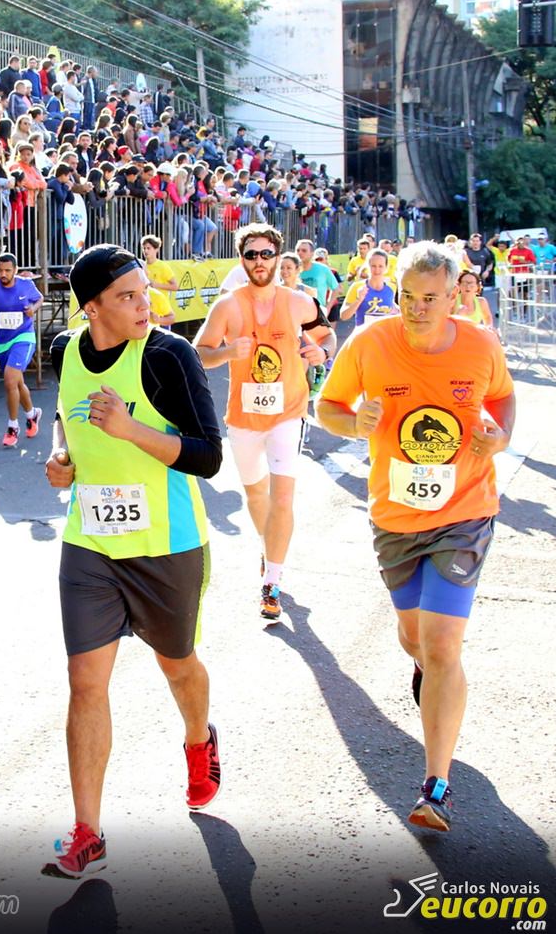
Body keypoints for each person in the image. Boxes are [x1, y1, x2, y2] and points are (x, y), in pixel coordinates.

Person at [316, 242, 516, 832]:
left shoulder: (480, 344)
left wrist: (500, 436)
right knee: (416, 641)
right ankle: (430, 674)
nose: (417, 308)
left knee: (443, 645)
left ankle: (437, 787)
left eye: (430, 298)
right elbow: (327, 406)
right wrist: (353, 423)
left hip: (465, 512)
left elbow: (503, 397)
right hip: (396, 520)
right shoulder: (369, 342)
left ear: (454, 295)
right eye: (408, 296)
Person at [43, 245, 223, 879]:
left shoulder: (170, 355)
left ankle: (199, 740)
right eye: (127, 296)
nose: (145, 305)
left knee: (178, 666)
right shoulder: (64, 350)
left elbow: (208, 456)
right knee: (85, 682)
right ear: (91, 308)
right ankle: (87, 832)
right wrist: (61, 459)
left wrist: (130, 431)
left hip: (167, 545)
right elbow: (66, 419)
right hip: (90, 543)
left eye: (145, 291)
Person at [193, 224, 333, 620]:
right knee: (257, 496)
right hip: (244, 418)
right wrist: (226, 353)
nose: (259, 261)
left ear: (277, 257)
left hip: (288, 412)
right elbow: (198, 352)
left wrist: (322, 353)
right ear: (242, 260)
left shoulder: (300, 302)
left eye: (266, 254)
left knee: (283, 498)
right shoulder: (228, 306)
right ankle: (268, 546)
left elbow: (327, 336)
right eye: (251, 255)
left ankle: (272, 580)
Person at [0, 253, 42, 448]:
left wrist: (33, 309)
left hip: (24, 337)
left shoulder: (26, 284)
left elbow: (40, 298)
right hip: (3, 342)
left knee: (10, 379)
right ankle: (32, 414)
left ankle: (13, 427)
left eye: (7, 270)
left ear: (15, 270)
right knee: (17, 383)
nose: (3, 274)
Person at [341, 249, 397, 325]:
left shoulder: (391, 287)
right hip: (363, 332)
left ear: (386, 268)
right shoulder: (357, 287)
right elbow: (343, 316)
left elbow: (392, 306)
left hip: (385, 332)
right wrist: (358, 300)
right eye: (373, 266)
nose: (377, 270)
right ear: (367, 266)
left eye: (380, 266)